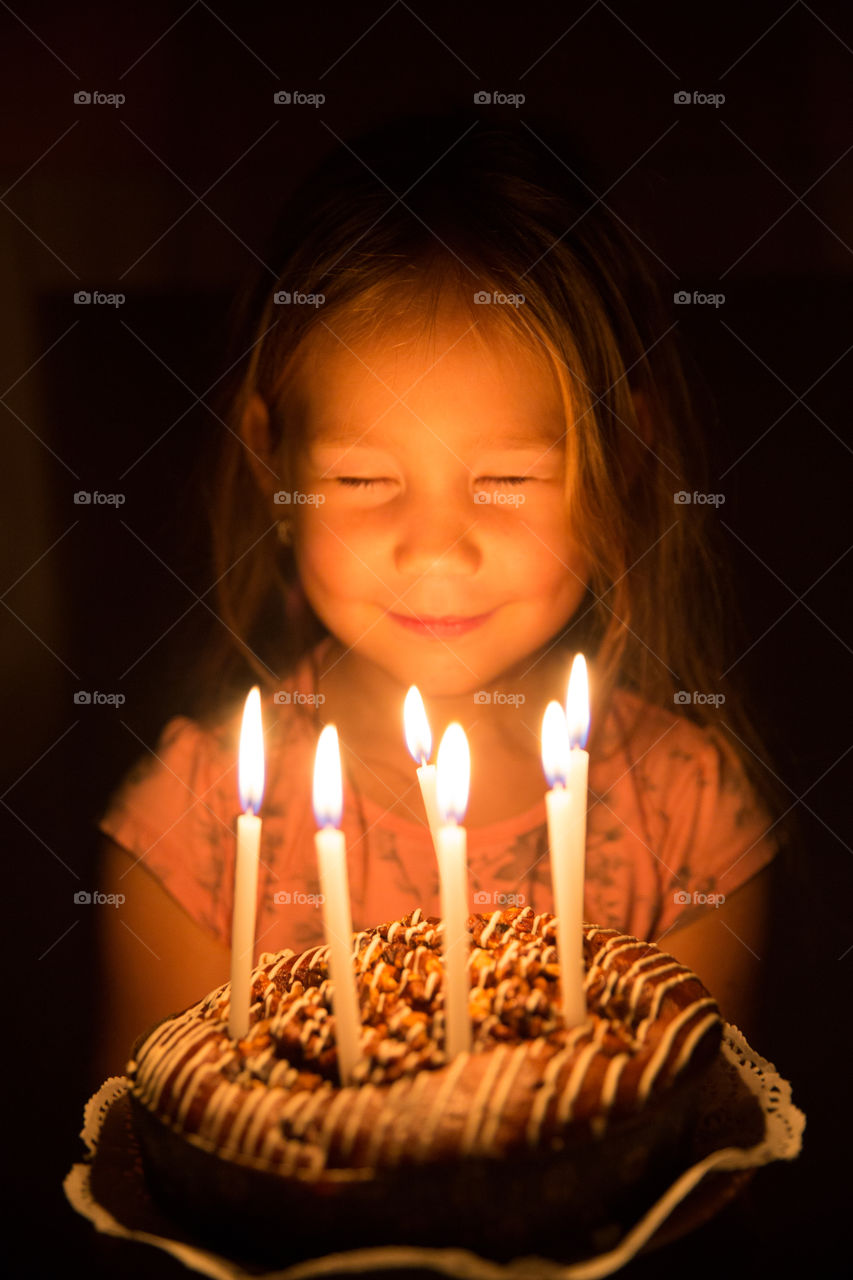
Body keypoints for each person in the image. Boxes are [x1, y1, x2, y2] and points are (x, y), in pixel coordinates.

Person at [94, 116, 782, 1081]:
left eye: (505, 479)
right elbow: (160, 1154)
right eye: (362, 481)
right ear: (271, 464)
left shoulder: (689, 827)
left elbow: (683, 1154)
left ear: (620, 463)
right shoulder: (193, 833)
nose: (432, 546)